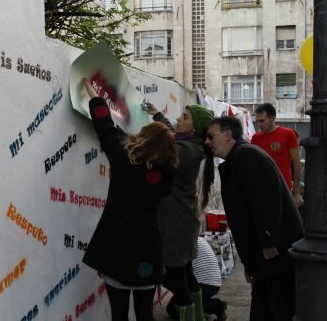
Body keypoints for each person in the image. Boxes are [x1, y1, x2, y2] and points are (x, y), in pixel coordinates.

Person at [81, 78, 178, 321]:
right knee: (145, 314)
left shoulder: (122, 155)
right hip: (147, 248)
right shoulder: (168, 174)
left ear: (142, 136)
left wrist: (93, 95)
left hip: (117, 247)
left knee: (119, 314)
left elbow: (104, 124)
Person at [205, 116, 304, 321]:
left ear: (228, 134)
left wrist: (269, 241)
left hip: (275, 252)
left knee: (279, 306)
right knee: (264, 305)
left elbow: (266, 201)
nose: (207, 142)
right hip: (264, 254)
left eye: (210, 136)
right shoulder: (238, 158)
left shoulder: (247, 155)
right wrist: (250, 263)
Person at [146, 102, 215, 321]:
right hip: (184, 221)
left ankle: (191, 315)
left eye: (184, 117)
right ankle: (199, 317)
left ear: (194, 128)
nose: (178, 119)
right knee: (187, 275)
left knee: (177, 281)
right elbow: (172, 134)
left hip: (176, 224)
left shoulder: (186, 151)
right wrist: (157, 115)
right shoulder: (191, 144)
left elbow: (157, 150)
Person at [251, 103, 303, 207]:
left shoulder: (288, 134)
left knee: (282, 221)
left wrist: (296, 193)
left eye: (262, 121)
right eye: (257, 121)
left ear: (272, 118)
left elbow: (297, 163)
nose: (259, 125)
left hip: (282, 186)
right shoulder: (256, 138)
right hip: (261, 187)